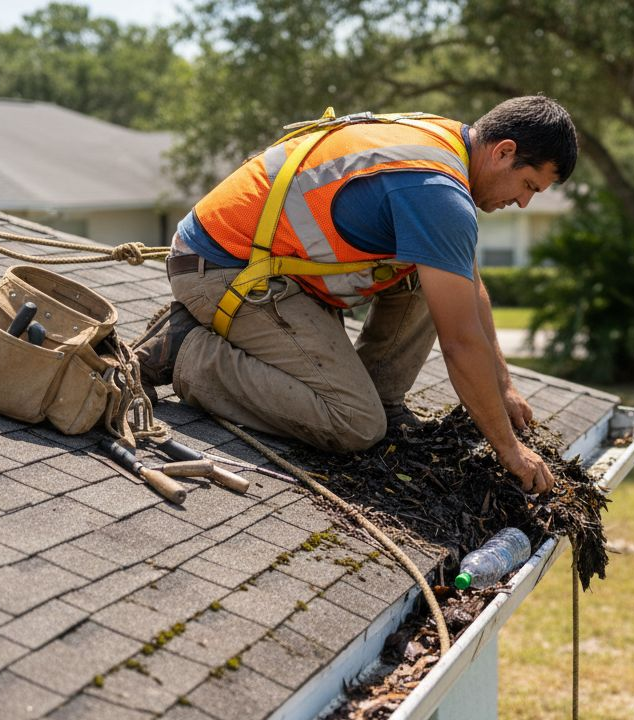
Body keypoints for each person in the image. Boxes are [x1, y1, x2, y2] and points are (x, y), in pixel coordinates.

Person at [134, 95, 577, 495]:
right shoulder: (438, 193)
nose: (523, 204)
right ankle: (185, 350)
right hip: (221, 271)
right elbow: (460, 343)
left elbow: (468, 284)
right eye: (529, 187)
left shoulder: (444, 140)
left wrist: (504, 384)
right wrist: (510, 450)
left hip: (265, 264)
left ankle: (380, 397)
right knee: (355, 424)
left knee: (441, 275)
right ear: (504, 152)